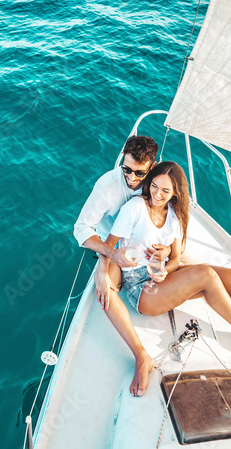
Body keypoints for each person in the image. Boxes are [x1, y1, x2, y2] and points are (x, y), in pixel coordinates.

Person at [107, 161, 231, 384]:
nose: (157, 194)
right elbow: (109, 247)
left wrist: (164, 271)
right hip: (141, 290)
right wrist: (104, 276)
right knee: (205, 274)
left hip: (160, 278)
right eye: (154, 186)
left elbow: (175, 260)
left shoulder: (172, 214)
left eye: (165, 190)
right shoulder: (134, 208)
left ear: (175, 193)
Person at [73, 135, 159, 396]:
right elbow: (81, 229)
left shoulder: (158, 182)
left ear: (153, 166)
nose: (131, 177)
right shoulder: (107, 186)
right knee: (105, 291)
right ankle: (140, 355)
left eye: (139, 172)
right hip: (114, 250)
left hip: (147, 246)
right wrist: (107, 259)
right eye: (126, 169)